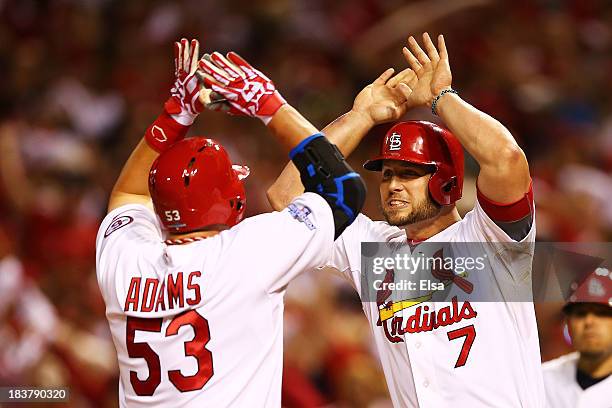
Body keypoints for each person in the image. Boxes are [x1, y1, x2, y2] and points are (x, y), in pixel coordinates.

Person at [263, 33, 544, 407]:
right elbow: (286, 197)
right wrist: (360, 117)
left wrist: (441, 98)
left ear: (446, 180)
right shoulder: (373, 251)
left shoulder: (490, 238)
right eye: (387, 174)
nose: (392, 185)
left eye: (409, 174)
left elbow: (508, 160)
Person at [95, 38, 366, 407]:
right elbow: (343, 190)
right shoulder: (246, 252)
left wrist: (175, 115)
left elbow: (128, 195)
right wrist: (269, 105)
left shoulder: (125, 261)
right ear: (230, 201)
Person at [542, 269, 612, 408]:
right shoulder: (541, 380)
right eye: (580, 313)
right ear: (568, 322)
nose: (589, 322)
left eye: (601, 313)